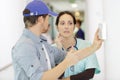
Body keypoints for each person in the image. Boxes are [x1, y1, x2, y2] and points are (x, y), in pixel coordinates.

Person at [11, 0, 103, 80]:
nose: (48, 22)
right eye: (48, 18)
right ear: (40, 20)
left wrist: (93, 47)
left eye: (70, 23)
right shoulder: (25, 46)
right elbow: (39, 78)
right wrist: (67, 63)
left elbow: (70, 56)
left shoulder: (43, 44)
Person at [54, 11, 100, 80]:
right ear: (57, 27)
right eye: (62, 23)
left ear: (74, 26)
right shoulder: (51, 49)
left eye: (70, 23)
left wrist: (67, 79)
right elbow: (56, 76)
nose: (66, 27)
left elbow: (89, 73)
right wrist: (59, 50)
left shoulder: (87, 45)